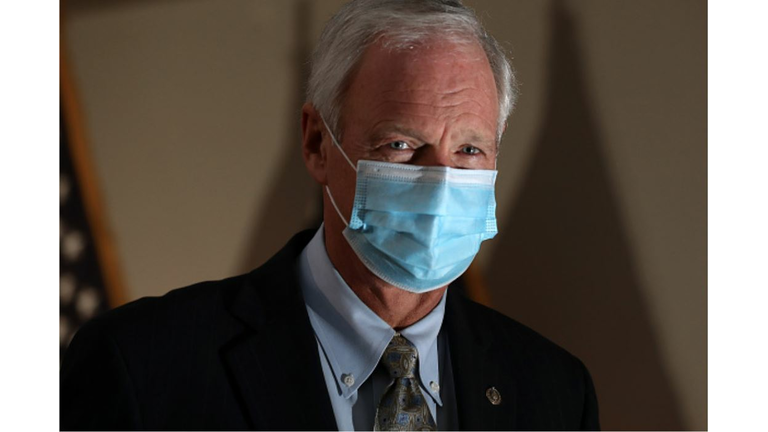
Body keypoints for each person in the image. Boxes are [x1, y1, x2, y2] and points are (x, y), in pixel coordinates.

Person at [61, 0, 600, 430]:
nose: (441, 182)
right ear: (318, 143)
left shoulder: (555, 390)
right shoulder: (143, 367)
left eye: (469, 150)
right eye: (400, 144)